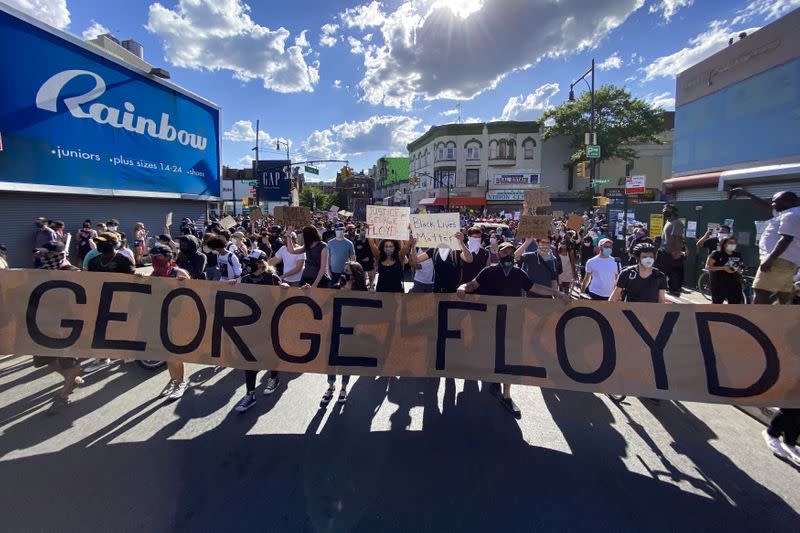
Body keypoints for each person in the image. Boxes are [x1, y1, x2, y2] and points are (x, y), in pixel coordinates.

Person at [457, 242, 568, 419]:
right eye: (504, 251)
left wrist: (558, 294)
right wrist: (462, 287)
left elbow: (535, 287)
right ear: (498, 254)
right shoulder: (489, 271)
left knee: (510, 356)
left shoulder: (518, 273)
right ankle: (493, 380)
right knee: (490, 352)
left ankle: (506, 395)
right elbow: (472, 285)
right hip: (489, 321)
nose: (507, 253)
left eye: (510, 250)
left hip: (513, 321)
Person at [233, 257, 290, 413]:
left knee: (271, 353)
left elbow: (285, 295)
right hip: (250, 325)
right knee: (249, 359)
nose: (247, 267)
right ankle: (250, 394)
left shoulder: (271, 278)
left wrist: (285, 288)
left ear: (259, 264)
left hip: (270, 323)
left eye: (250, 264)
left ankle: (274, 377)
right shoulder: (245, 279)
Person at [31, 241, 83, 406]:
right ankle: (72, 379)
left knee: (72, 362)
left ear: (59, 255)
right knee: (47, 360)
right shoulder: (39, 273)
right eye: (43, 254)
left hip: (69, 326)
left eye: (48, 254)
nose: (44, 257)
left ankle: (63, 395)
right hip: (44, 325)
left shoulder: (75, 273)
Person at [729, 189, 800, 305]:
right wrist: (747, 194)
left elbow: (786, 239)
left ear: (788, 202)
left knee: (761, 292)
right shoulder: (788, 213)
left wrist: (769, 259)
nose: (773, 204)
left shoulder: (791, 215)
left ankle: (756, 321)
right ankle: (781, 319)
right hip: (786, 263)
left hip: (777, 261)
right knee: (783, 296)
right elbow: (768, 207)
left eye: (776, 202)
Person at [144, 245, 192, 401]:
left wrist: (183, 283)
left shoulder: (178, 273)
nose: (154, 261)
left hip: (178, 319)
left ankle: (181, 382)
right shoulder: (154, 274)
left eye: (158, 257)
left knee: (175, 354)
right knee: (166, 354)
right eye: (153, 258)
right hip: (161, 318)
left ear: (167, 256)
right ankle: (174, 379)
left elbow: (193, 296)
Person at [84, 232, 136, 372]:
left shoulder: (123, 260)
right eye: (98, 242)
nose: (99, 245)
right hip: (99, 301)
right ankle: (102, 357)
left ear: (113, 244)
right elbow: (88, 281)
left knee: (120, 328)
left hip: (120, 302)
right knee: (100, 330)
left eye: (102, 243)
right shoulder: (93, 261)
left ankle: (126, 352)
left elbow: (132, 281)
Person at [321, 261, 367, 406]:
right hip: (334, 329)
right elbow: (324, 307)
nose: (344, 273)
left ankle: (343, 388)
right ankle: (330, 386)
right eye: (344, 269)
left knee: (346, 360)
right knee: (332, 359)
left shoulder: (362, 292)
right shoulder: (335, 288)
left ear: (354, 275)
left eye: (347, 271)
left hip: (352, 331)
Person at [655, 203, 685, 296]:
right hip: (663, 251)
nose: (664, 211)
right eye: (664, 210)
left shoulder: (677, 223)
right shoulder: (668, 222)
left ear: (673, 212)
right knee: (659, 273)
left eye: (667, 210)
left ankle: (674, 291)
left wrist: (676, 252)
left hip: (670, 253)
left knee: (673, 274)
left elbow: (677, 238)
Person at [705, 236, 744, 304]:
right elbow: (708, 267)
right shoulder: (716, 254)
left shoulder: (737, 254)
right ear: (724, 244)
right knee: (717, 304)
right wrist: (723, 268)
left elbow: (740, 266)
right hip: (719, 284)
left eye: (734, 243)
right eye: (731, 243)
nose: (733, 245)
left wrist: (739, 270)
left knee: (735, 304)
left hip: (734, 283)